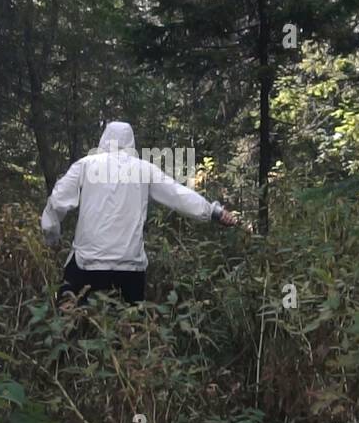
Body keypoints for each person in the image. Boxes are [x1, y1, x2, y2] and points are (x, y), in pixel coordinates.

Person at [40, 121, 238, 304]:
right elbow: (178, 194)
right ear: (131, 142)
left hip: (87, 264)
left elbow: (57, 202)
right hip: (130, 268)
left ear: (104, 138)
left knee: (71, 324)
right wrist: (213, 212)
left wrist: (52, 237)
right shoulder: (144, 170)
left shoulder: (85, 165)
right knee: (130, 334)